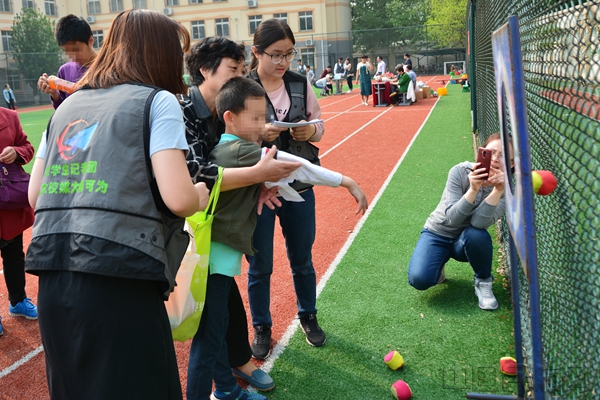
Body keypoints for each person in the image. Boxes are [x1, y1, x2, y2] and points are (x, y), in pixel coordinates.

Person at [26, 10, 210, 399]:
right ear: (158, 54)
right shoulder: (157, 101)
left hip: (53, 274)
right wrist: (201, 194)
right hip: (121, 276)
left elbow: (34, 195)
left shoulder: (68, 109)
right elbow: (178, 198)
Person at [188, 76, 367, 400]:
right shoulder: (243, 150)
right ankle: (214, 393)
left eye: (264, 117)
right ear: (229, 117)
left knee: (217, 327)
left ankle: (227, 390)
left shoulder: (226, 149)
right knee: (210, 337)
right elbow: (297, 166)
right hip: (216, 257)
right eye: (255, 118)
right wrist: (347, 181)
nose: (263, 125)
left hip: (215, 255)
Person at [181, 36, 300, 395]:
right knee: (208, 328)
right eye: (233, 69)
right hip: (201, 237)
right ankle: (223, 386)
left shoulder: (222, 115)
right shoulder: (182, 111)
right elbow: (195, 178)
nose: (238, 75)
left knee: (219, 319)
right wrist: (257, 176)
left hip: (217, 238)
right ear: (204, 71)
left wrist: (255, 186)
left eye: (240, 69)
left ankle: (230, 383)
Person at [246, 18, 329, 359]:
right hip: (259, 190)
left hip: (299, 185)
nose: (283, 63)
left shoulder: (299, 82)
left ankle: (308, 316)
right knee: (259, 264)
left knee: (302, 259)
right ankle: (262, 327)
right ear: (256, 53)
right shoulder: (243, 87)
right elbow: (230, 134)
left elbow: (319, 123)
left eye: (289, 54)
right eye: (275, 55)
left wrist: (310, 132)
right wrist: (257, 134)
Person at [407, 133, 513, 311]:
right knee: (420, 279)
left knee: (476, 234)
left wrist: (498, 191)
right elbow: (452, 219)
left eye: (503, 157)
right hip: (438, 232)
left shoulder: (508, 190)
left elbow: (479, 223)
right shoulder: (459, 171)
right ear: (482, 152)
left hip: (466, 240)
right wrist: (473, 189)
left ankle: (483, 282)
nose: (495, 160)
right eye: (491, 152)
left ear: (512, 164)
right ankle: (437, 262)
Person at [0, 107, 36, 337]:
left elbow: (28, 148)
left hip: (8, 204)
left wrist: (16, 152)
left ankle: (18, 301)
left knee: (14, 255)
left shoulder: (9, 116)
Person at [37, 14, 97, 109]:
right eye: (67, 51)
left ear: (91, 41)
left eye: (76, 49)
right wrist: (54, 95)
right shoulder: (64, 71)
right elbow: (64, 111)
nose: (73, 57)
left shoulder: (108, 68)